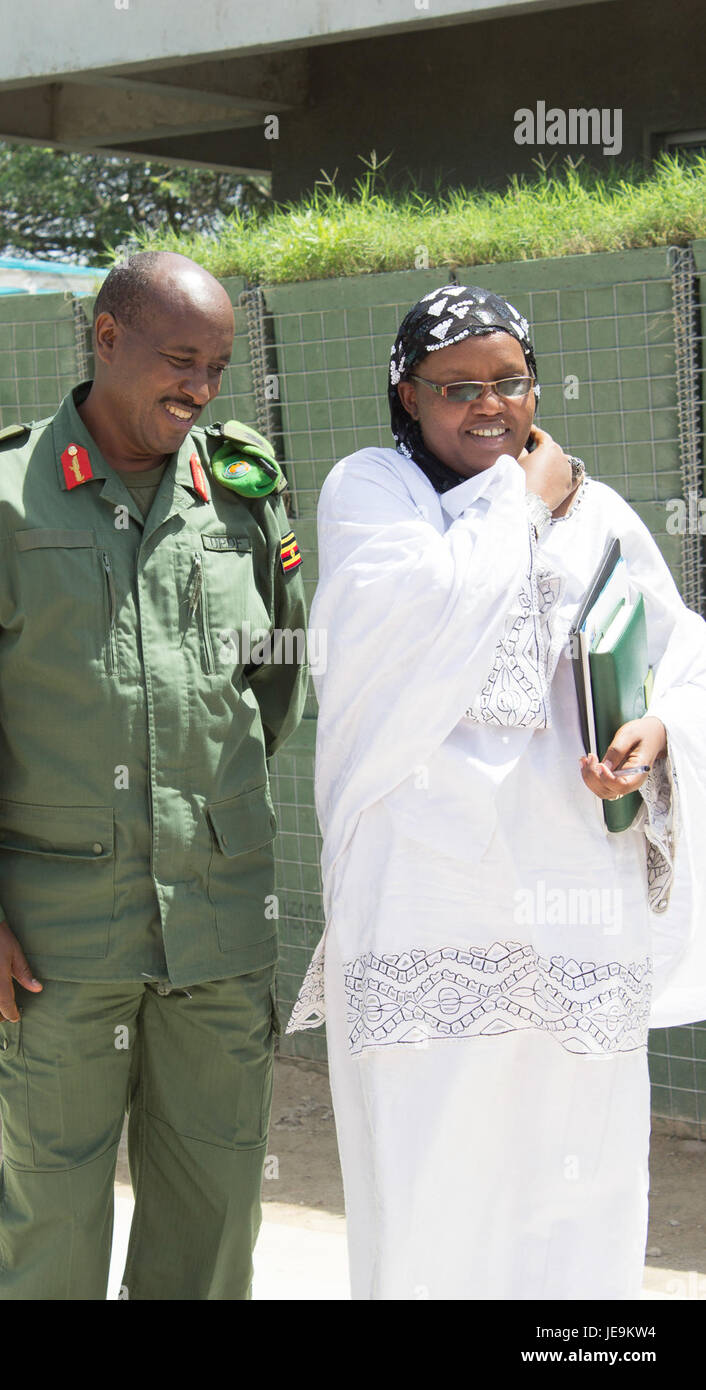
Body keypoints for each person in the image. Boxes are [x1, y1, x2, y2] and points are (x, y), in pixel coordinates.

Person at [0, 250, 308, 1300]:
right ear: (105, 338)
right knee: (54, 1211)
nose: (198, 389)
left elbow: (272, 689)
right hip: (50, 940)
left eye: (214, 366)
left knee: (212, 1211)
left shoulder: (242, 498)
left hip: (213, 927)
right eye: (176, 360)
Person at [287, 284, 706, 1300]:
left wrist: (658, 733)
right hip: (425, 886)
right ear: (405, 391)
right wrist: (526, 498)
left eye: (508, 382)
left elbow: (678, 648)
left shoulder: (592, 508)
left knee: (577, 1158)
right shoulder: (369, 489)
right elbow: (419, 607)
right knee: (433, 1152)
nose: (488, 406)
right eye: (456, 386)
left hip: (573, 886)